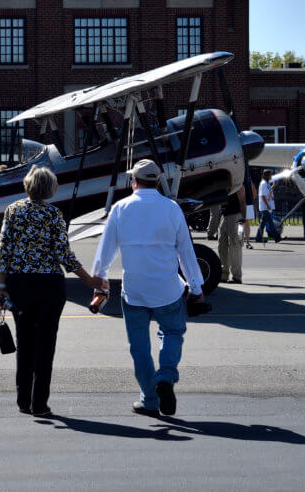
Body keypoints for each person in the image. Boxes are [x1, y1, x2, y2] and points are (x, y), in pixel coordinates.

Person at [91, 159, 205, 417]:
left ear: (134, 181)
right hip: (168, 289)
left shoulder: (120, 209)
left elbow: (105, 251)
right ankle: (165, 376)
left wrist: (99, 281)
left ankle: (150, 399)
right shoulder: (172, 209)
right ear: (158, 181)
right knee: (172, 332)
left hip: (135, 291)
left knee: (139, 347)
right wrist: (196, 287)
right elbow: (186, 253)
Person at [0, 166, 106, 417]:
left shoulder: (12, 211)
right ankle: (39, 403)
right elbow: (63, 255)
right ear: (50, 189)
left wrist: (1, 287)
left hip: (19, 284)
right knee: (45, 344)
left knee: (24, 342)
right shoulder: (54, 214)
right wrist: (89, 280)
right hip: (48, 287)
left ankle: (23, 399)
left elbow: (5, 251)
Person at [218, 190, 244, 283]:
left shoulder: (239, 181)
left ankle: (237, 276)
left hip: (237, 216)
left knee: (235, 246)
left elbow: (243, 199)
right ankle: (223, 275)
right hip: (224, 215)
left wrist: (243, 220)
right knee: (222, 245)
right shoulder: (225, 182)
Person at [255, 169, 281, 244]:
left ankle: (258, 238)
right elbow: (263, 196)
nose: (271, 176)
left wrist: (273, 185)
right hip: (265, 207)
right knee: (271, 223)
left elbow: (268, 193)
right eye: (270, 175)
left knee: (263, 223)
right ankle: (277, 238)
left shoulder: (266, 183)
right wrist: (267, 205)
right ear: (267, 176)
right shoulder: (263, 184)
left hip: (266, 207)